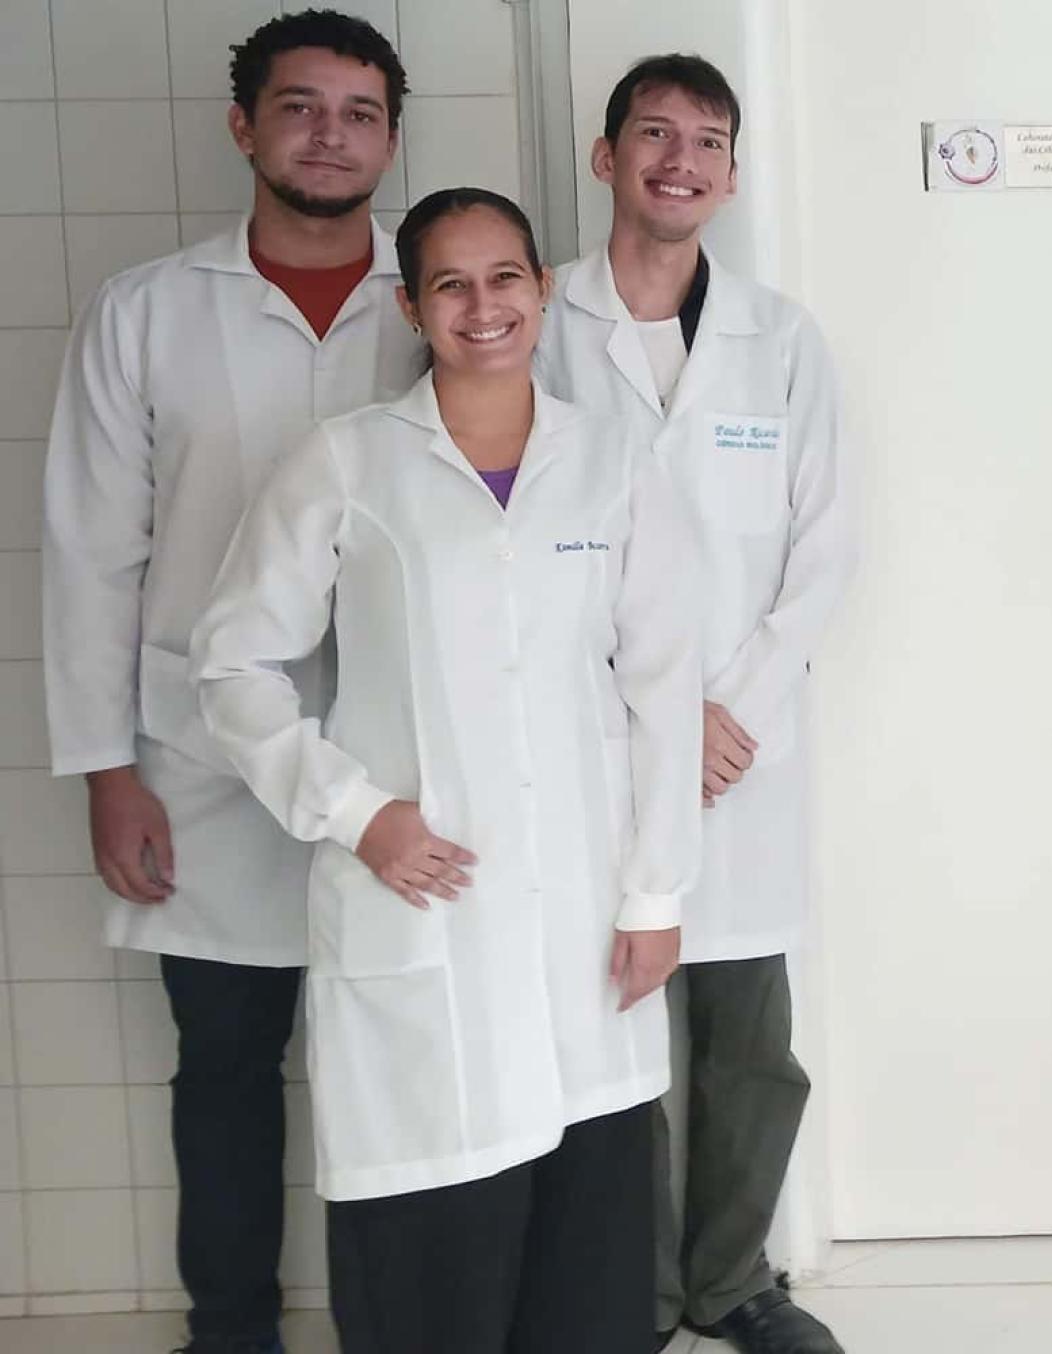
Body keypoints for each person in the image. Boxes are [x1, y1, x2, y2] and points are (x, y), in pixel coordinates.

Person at [190, 188, 703, 1354]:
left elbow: (665, 686)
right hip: (421, 902)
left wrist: (655, 893)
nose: (484, 305)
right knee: (432, 1267)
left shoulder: (612, 460)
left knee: (588, 1264)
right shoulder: (347, 461)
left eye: (506, 276)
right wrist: (354, 810)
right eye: (451, 284)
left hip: (586, 913)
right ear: (412, 307)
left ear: (541, 289)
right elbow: (231, 663)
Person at [38, 12, 417, 1352]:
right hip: (198, 761)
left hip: (397, 760)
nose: (330, 136)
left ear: (392, 139)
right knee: (226, 1068)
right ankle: (232, 1330)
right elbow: (92, 549)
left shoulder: (441, 297)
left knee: (402, 1064)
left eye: (360, 113)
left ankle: (402, 1325)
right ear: (243, 125)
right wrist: (106, 769)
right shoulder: (147, 310)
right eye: (300, 107)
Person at [533, 55, 853, 1354]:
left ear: (729, 173)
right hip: (591, 740)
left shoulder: (781, 340)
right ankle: (630, 1293)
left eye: (707, 141)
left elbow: (821, 550)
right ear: (604, 156)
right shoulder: (536, 320)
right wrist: (648, 723)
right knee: (612, 1034)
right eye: (654, 134)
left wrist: (732, 712)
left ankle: (731, 1282)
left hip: (740, 756)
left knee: (747, 1040)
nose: (680, 161)